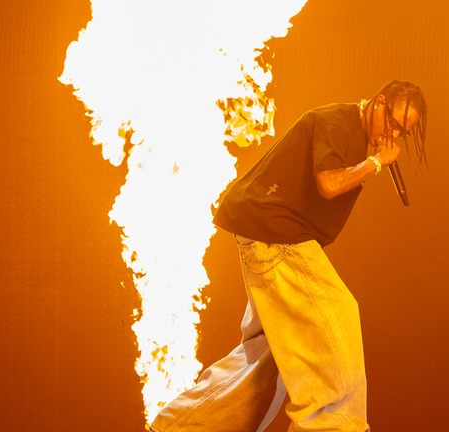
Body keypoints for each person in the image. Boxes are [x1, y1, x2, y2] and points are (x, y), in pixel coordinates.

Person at [150, 80, 428, 432]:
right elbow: (328, 184)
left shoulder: (355, 132)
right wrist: (375, 163)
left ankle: (180, 426)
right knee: (337, 318)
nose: (393, 135)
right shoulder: (336, 121)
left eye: (402, 131)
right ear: (380, 102)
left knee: (267, 350)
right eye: (392, 123)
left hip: (267, 231)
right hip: (276, 232)